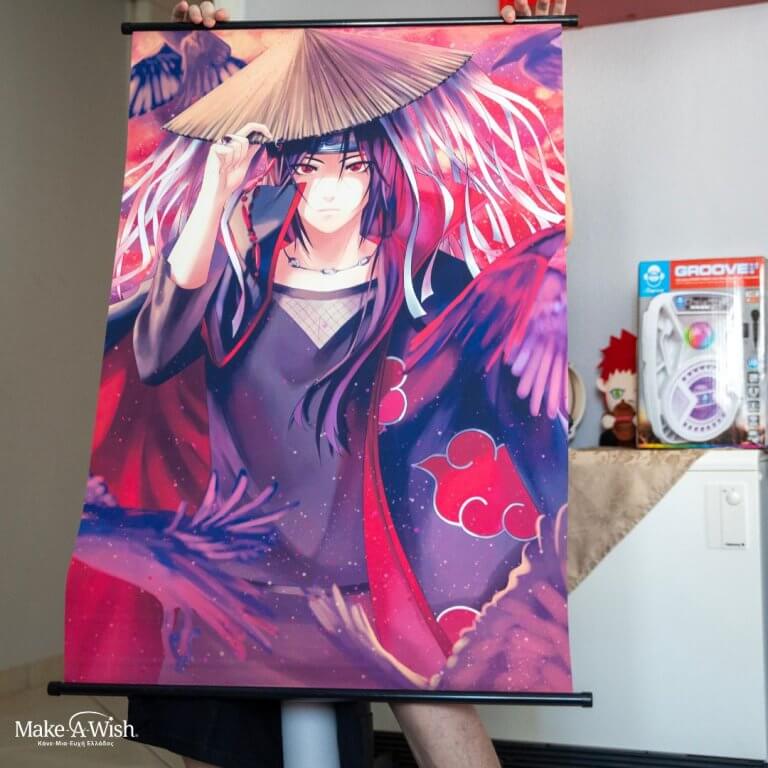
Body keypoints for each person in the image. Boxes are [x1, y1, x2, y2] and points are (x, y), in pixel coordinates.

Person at [123, 3, 572, 768]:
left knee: (437, 715)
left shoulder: (418, 277)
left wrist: (535, 41)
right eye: (311, 166)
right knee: (226, 738)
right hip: (245, 563)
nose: (330, 186)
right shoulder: (241, 270)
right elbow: (155, 352)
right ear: (286, 170)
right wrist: (218, 185)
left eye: (351, 165)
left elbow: (507, 310)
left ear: (375, 171)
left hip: (374, 564)